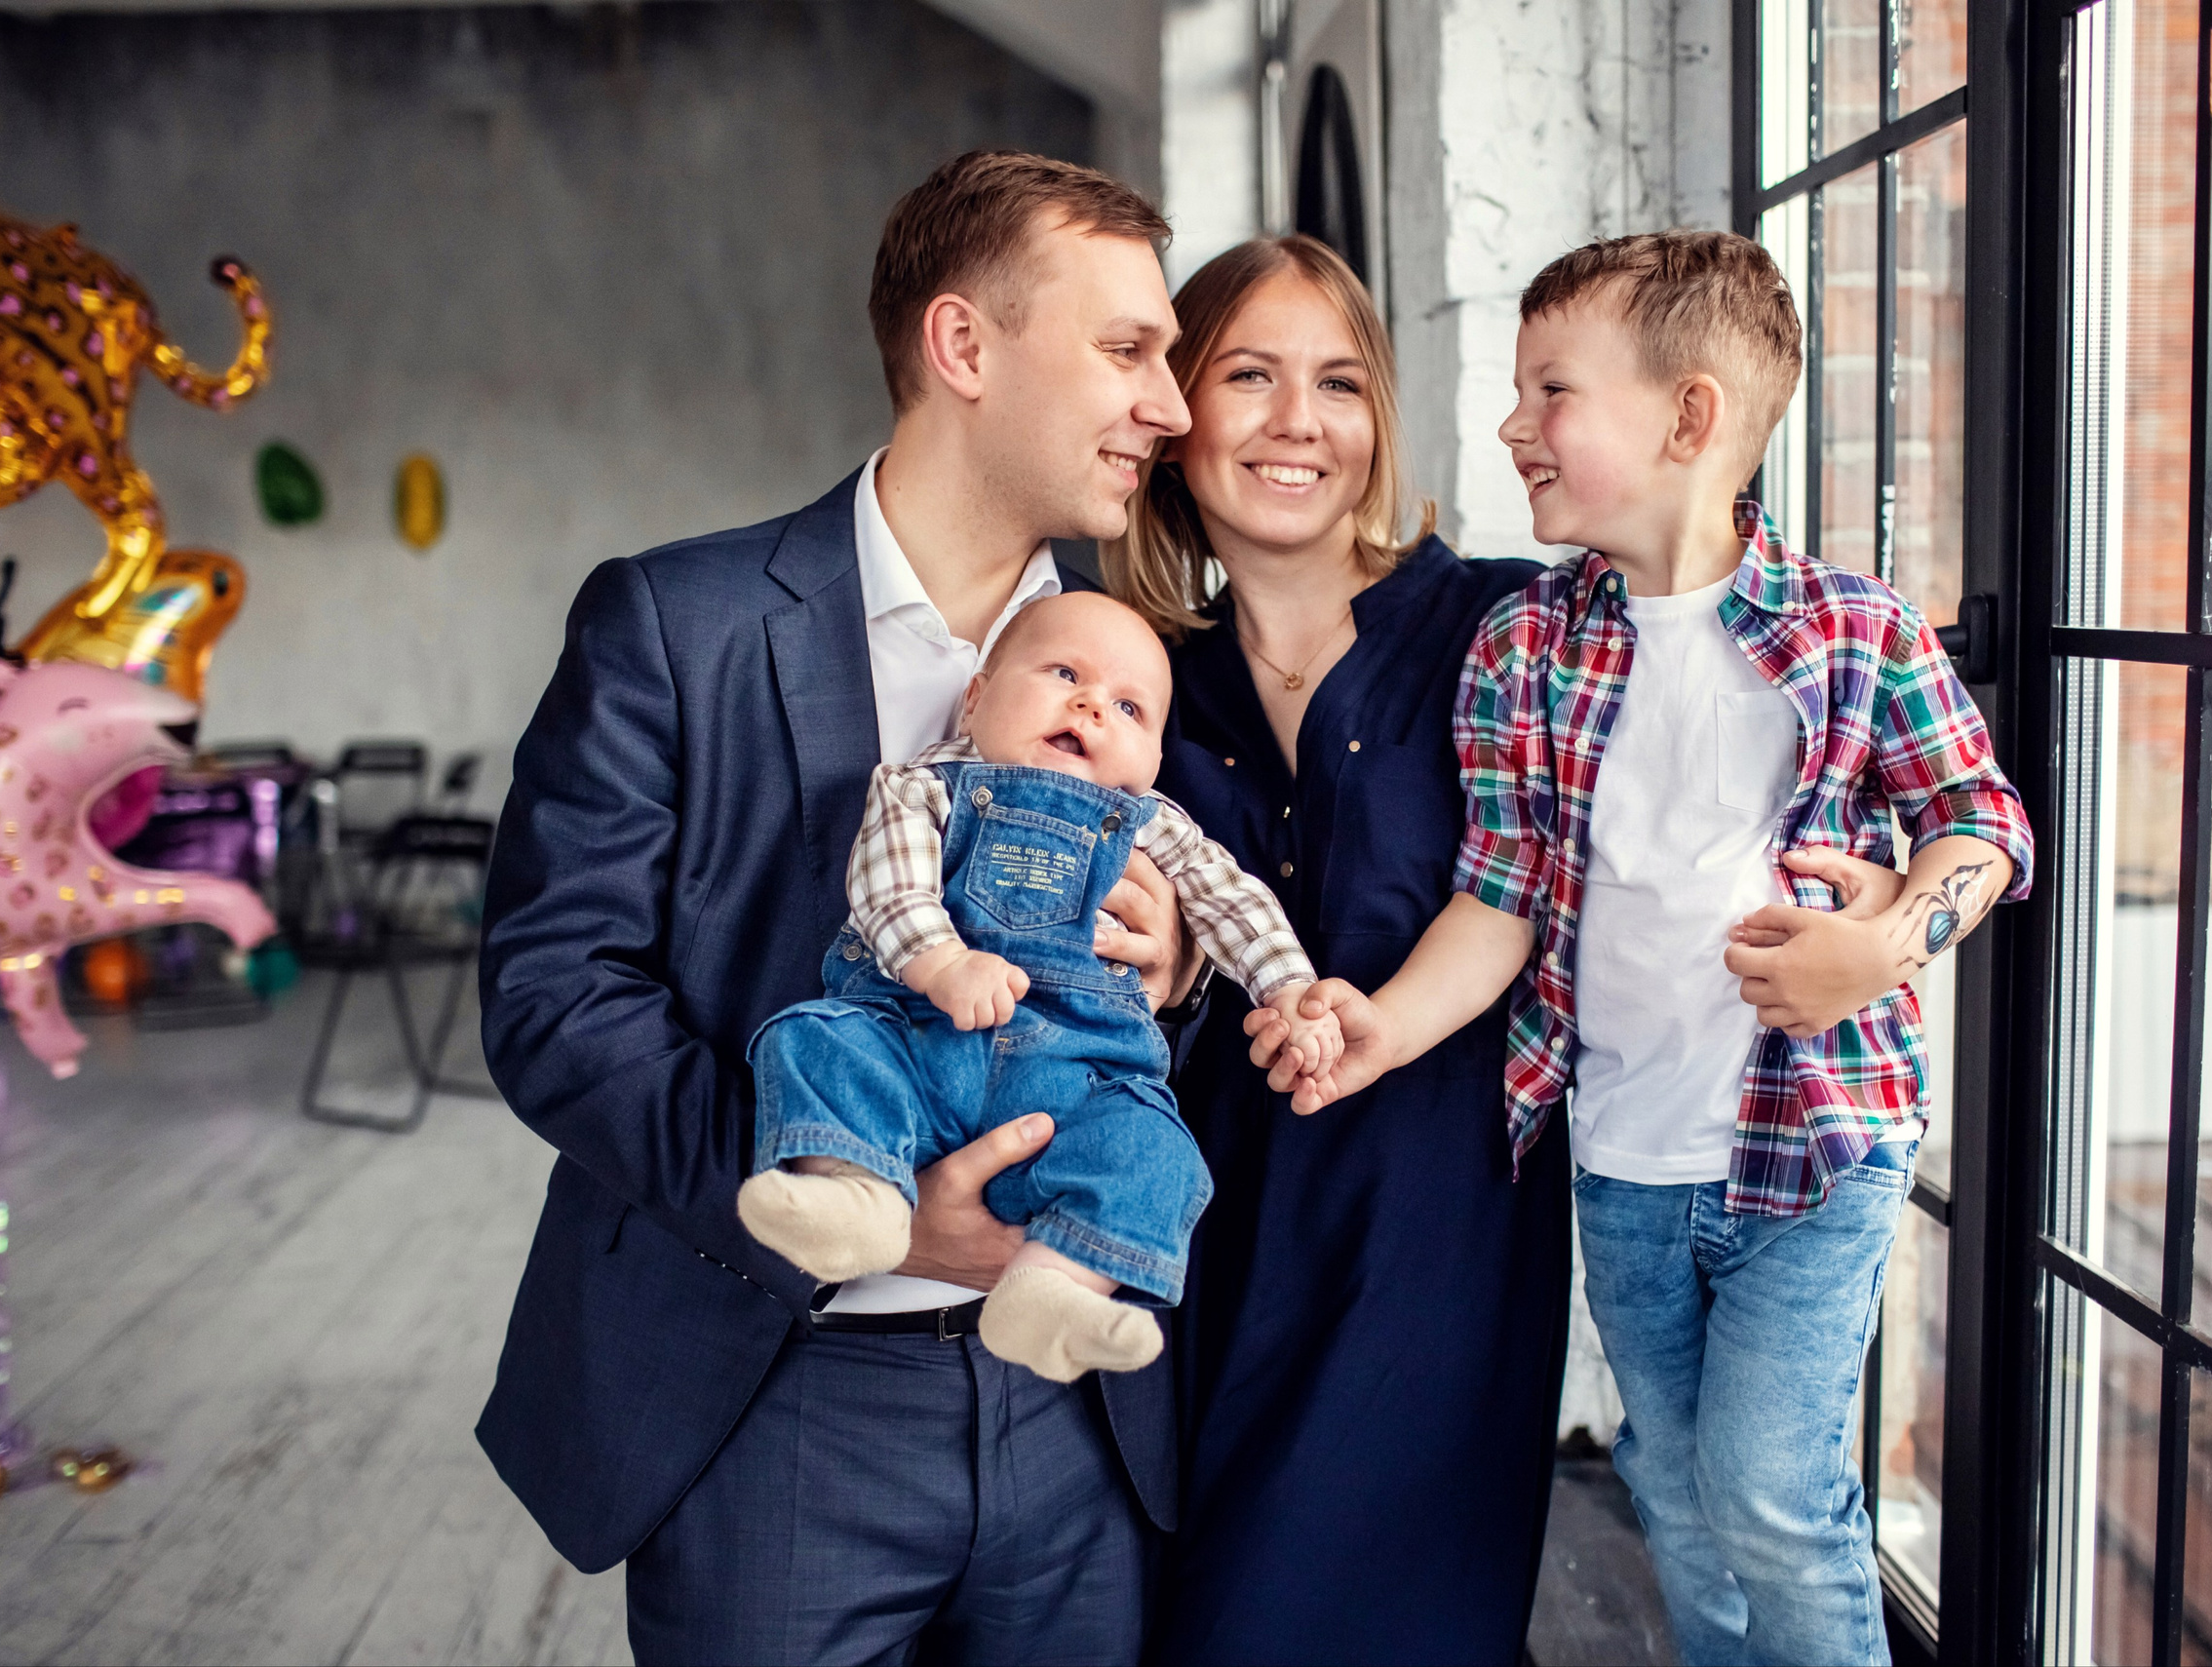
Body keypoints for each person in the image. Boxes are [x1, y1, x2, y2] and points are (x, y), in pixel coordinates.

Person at [1250, 231, 2036, 1667]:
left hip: (1813, 1153)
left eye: (1551, 392)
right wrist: (1382, 1021)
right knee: (1677, 1495)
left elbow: (1981, 823)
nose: (1510, 425)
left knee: (1770, 1493)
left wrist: (1893, 941)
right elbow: (1499, 902)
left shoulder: (1854, 633)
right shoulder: (1524, 649)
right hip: (1620, 1162)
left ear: (1689, 416)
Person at [477, 151, 1203, 1665]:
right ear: (963, 348)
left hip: (1080, 1415)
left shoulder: (1123, 661)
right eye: (1130, 351)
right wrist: (851, 1200)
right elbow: (555, 995)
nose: (1174, 406)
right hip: (771, 1399)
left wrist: (1176, 966)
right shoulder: (678, 624)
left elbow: (1152, 971)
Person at [1105, 235, 1571, 1666]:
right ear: (1180, 419)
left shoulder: (1508, 622)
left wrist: (1899, 880)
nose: (1300, 421)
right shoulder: (1132, 667)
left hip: (1440, 1233)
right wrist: (1156, 947)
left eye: (1339, 384)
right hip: (1209, 1224)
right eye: (1250, 376)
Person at [737, 591, 1342, 1382]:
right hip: (913, 1043)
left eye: (1129, 707)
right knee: (812, 1039)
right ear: (977, 698)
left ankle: (1058, 1287)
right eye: (1064, 673)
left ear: (1154, 760)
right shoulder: (925, 787)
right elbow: (889, 888)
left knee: (1157, 1152)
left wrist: (1288, 987)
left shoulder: (1151, 824)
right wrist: (943, 964)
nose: (1091, 705)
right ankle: (857, 1195)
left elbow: (1236, 903)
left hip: (1077, 1080)